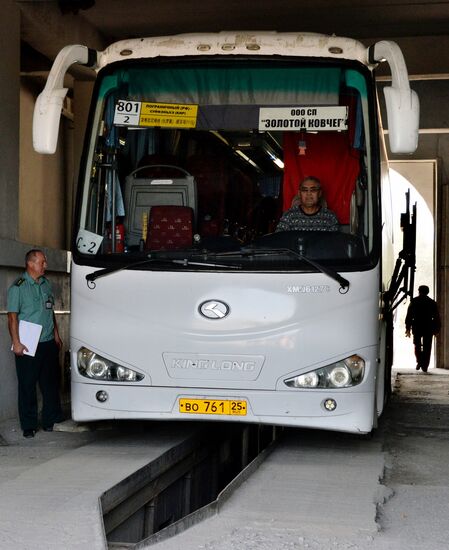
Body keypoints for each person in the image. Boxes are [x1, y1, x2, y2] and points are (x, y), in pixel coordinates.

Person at [7, 249, 64, 438]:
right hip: (28, 343)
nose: (45, 265)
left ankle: (51, 420)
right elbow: (12, 318)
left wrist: (56, 334)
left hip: (48, 342)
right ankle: (29, 425)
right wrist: (16, 343)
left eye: (45, 262)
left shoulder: (46, 284)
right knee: (27, 385)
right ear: (31, 264)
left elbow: (50, 311)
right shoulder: (18, 287)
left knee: (50, 384)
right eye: (42, 262)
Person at [405, 285, 441, 372]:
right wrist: (437, 329)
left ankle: (419, 361)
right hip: (428, 327)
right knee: (427, 347)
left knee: (417, 345)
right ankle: (425, 365)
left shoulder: (414, 301)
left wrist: (408, 328)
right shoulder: (432, 302)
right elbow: (437, 317)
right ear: (427, 292)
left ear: (419, 291)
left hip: (417, 326)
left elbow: (409, 315)